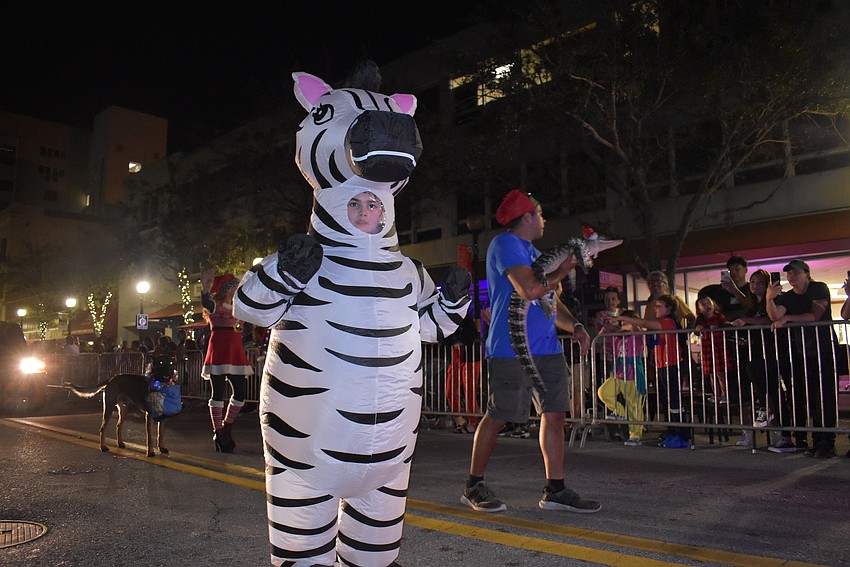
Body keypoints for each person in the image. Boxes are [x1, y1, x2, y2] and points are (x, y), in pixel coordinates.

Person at [461, 189, 600, 514]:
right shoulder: (505, 244)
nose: (544, 219)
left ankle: (555, 489)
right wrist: (564, 269)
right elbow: (530, 289)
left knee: (555, 414)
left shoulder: (535, 252)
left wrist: (576, 326)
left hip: (547, 349)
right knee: (499, 415)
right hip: (511, 348)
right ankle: (473, 485)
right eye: (540, 213)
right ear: (526, 217)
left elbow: (551, 299)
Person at [766, 259, 838, 459]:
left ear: (807, 274)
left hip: (823, 349)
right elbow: (775, 316)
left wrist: (788, 318)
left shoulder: (818, 288)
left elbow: (814, 316)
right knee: (810, 397)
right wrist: (769, 299)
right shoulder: (788, 296)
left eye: (796, 272)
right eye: (789, 273)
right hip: (801, 351)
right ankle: (817, 441)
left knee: (825, 396)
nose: (792, 276)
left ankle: (828, 442)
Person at [614, 294, 689, 448]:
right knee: (666, 399)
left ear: (668, 308)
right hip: (662, 364)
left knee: (674, 400)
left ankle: (681, 434)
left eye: (659, 306)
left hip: (672, 364)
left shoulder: (668, 321)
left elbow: (644, 323)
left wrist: (623, 318)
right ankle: (672, 430)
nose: (656, 309)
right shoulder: (661, 322)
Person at [730, 269, 792, 451]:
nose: (755, 285)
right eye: (752, 282)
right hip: (756, 351)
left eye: (759, 282)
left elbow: (769, 320)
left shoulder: (774, 301)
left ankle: (783, 434)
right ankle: (769, 417)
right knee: (763, 387)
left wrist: (746, 321)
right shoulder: (753, 305)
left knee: (774, 392)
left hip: (772, 351)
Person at [200, 269, 254, 453]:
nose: (236, 289)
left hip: (235, 348)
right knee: (218, 393)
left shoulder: (238, 306)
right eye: (234, 286)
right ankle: (218, 431)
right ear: (227, 288)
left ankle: (226, 427)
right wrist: (205, 287)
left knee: (240, 394)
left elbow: (249, 324)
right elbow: (205, 301)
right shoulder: (215, 305)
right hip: (219, 347)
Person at [596, 310, 647, 446]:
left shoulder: (637, 335)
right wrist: (606, 328)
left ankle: (635, 434)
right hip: (618, 373)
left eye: (625, 321)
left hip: (632, 373)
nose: (623, 324)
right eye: (622, 321)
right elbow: (599, 340)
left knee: (634, 405)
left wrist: (620, 322)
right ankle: (619, 410)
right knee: (603, 392)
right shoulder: (618, 338)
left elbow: (633, 327)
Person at [444, 314, 481, 434]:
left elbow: (471, 337)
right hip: (457, 355)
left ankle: (472, 421)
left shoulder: (466, 321)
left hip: (469, 357)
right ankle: (460, 419)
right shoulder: (452, 320)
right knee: (451, 390)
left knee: (469, 390)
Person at [694, 296, 730, 404]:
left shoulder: (719, 316)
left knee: (720, 372)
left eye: (708, 303)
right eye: (703, 304)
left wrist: (719, 327)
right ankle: (716, 394)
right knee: (711, 373)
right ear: (699, 308)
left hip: (718, 346)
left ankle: (724, 394)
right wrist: (697, 330)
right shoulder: (700, 319)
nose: (707, 306)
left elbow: (727, 328)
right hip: (707, 348)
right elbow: (696, 331)